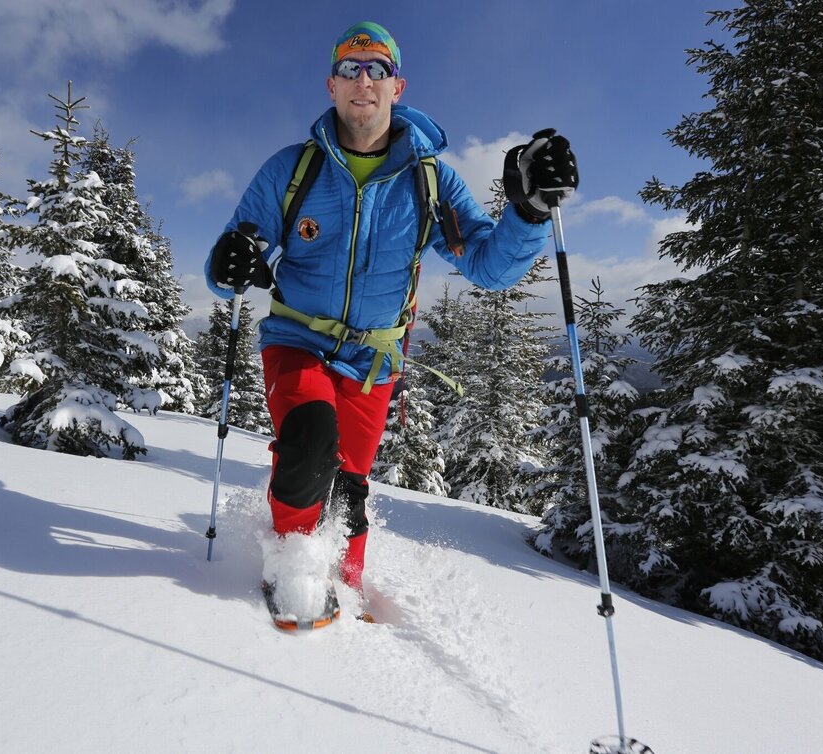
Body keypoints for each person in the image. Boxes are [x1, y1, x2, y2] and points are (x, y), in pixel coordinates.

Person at [205, 21, 577, 615]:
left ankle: (347, 589)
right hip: (296, 338)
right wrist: (229, 263)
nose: (363, 81)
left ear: (396, 86)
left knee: (348, 488)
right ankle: (292, 567)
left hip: (374, 358)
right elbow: (233, 254)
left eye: (376, 69)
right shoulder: (290, 170)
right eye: (350, 69)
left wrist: (527, 212)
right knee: (308, 440)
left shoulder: (429, 180)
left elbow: (487, 266)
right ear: (331, 85)